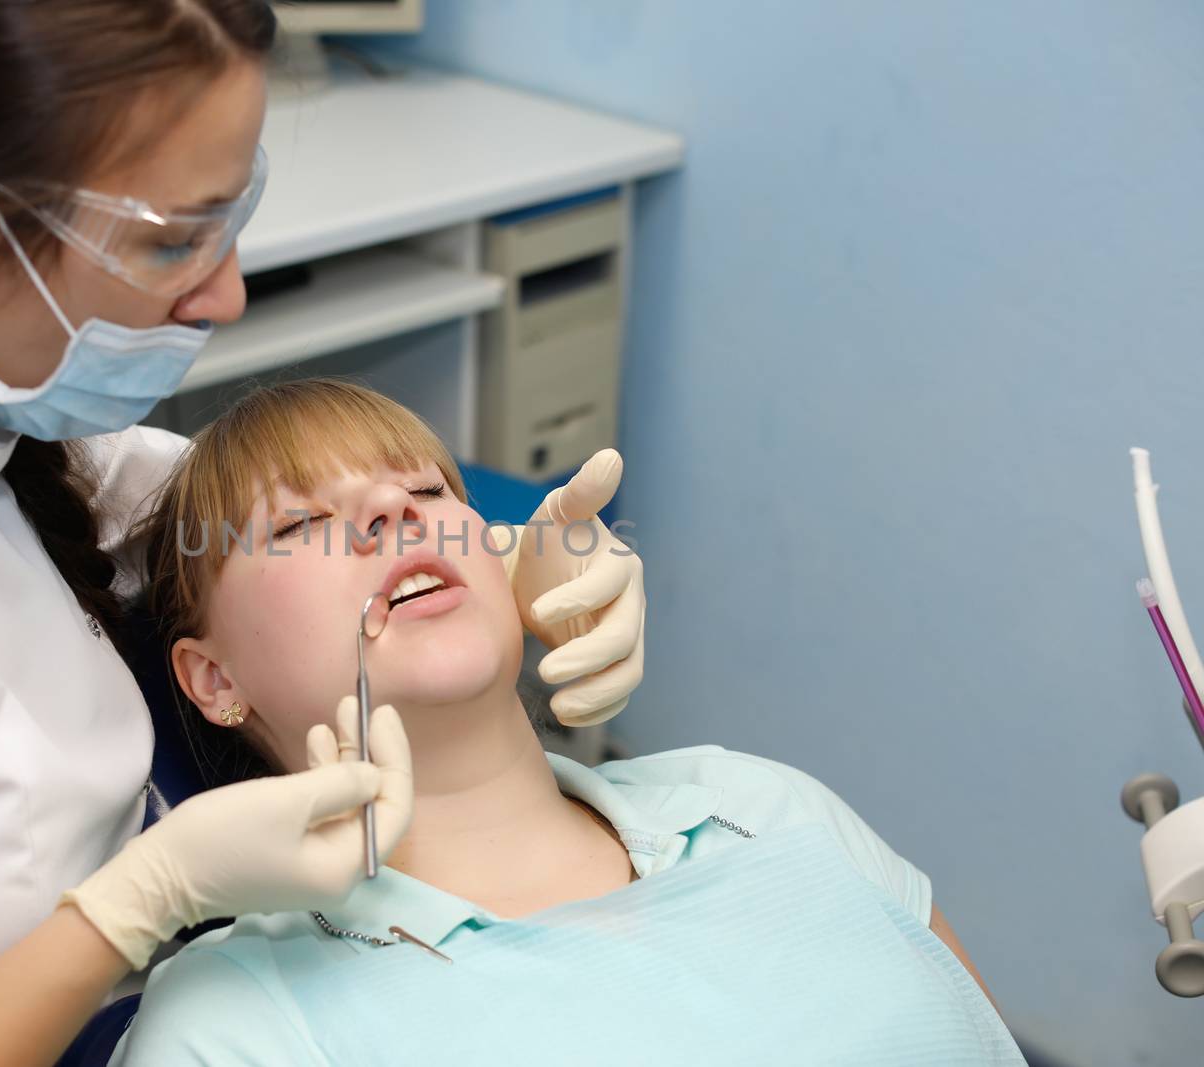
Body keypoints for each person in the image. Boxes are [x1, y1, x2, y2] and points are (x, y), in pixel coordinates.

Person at [0, 4, 651, 1065]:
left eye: (233, 213)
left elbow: (236, 513)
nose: (230, 290)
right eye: (172, 239)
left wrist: (514, 553)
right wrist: (136, 906)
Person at [114, 378, 1027, 1066]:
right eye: (301, 521)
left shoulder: (760, 804)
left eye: (429, 491)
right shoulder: (234, 1019)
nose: (395, 511)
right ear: (213, 678)